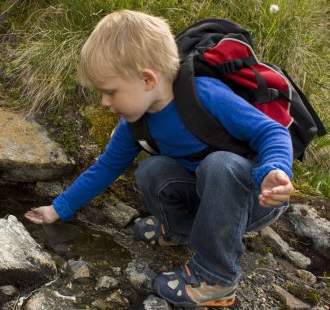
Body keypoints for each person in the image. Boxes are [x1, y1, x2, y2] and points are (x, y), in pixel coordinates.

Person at [25, 10, 294, 308]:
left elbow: (272, 132)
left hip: (252, 198)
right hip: (205, 194)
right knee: (152, 169)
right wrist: (58, 208)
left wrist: (274, 170)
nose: (104, 102)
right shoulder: (135, 124)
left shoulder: (205, 95)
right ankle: (180, 230)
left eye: (110, 92)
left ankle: (216, 277)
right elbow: (106, 167)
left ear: (147, 79)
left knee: (219, 164)